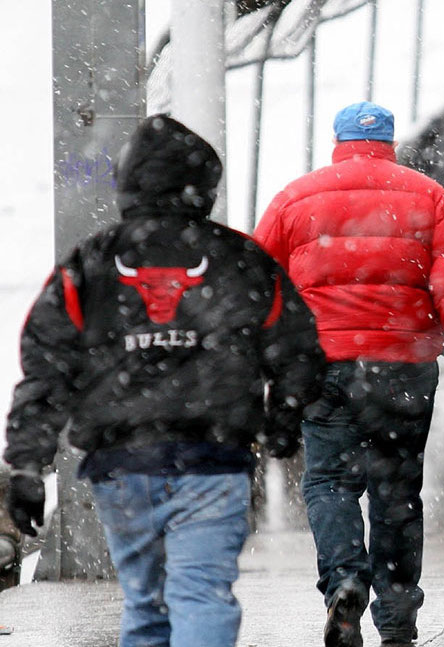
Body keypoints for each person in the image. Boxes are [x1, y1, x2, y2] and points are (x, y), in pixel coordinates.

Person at [3, 115, 324, 647]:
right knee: (201, 594)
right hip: (212, 460)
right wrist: (283, 419)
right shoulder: (242, 258)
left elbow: (47, 366)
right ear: (204, 188)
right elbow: (297, 348)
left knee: (145, 604)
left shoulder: (90, 262)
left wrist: (29, 466)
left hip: (120, 465)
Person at [254, 101, 444, 647]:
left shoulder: (295, 200)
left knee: (328, 482)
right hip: (403, 366)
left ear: (337, 140)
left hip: (323, 365)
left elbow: (260, 286)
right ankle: (396, 616)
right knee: (396, 491)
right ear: (390, 142)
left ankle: (344, 579)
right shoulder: (430, 197)